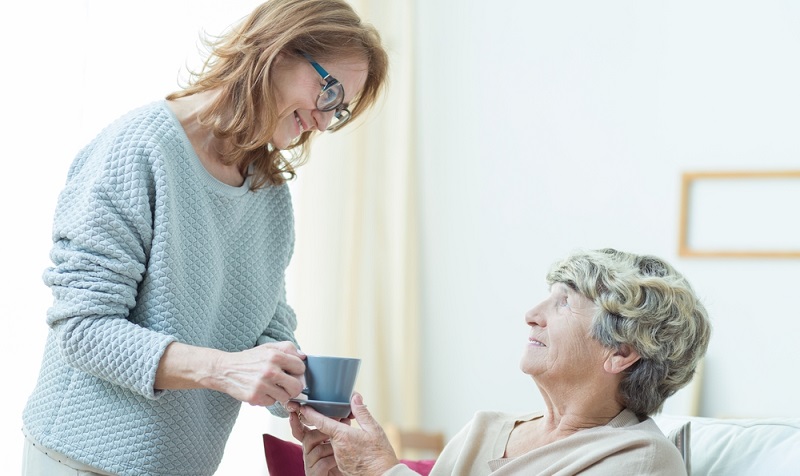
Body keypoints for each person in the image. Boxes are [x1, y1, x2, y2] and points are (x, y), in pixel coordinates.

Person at [21, 1, 388, 475]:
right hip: (81, 460)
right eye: (329, 91)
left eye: (337, 111)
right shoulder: (137, 150)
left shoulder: (268, 190)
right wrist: (224, 369)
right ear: (277, 51)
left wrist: (308, 400)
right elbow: (83, 330)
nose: (322, 121)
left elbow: (266, 326)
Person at [288, 248, 712, 475]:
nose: (532, 313)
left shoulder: (639, 461)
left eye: (564, 303)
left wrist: (384, 472)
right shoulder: (483, 430)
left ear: (620, 352)